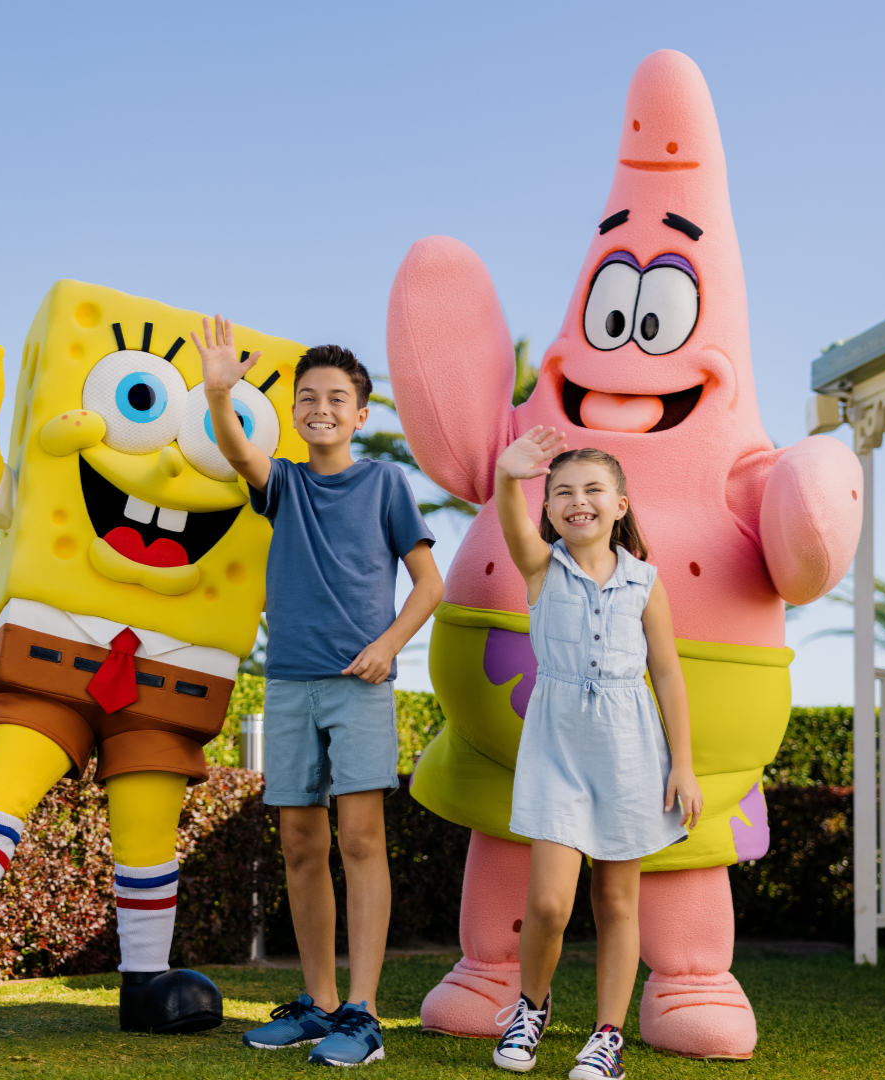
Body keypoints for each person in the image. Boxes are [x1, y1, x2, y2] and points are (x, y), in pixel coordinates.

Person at [192, 316, 444, 1067]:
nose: (321, 407)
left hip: (360, 686)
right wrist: (217, 393)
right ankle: (320, 1004)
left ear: (361, 415)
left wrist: (386, 649)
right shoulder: (286, 483)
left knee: (361, 840)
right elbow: (240, 448)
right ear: (296, 411)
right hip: (291, 684)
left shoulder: (386, 482)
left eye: (337, 397)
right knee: (301, 844)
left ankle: (363, 1016)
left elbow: (430, 583)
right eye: (308, 397)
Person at [489, 431, 703, 1078]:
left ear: (620, 504)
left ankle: (606, 1036)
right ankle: (531, 1007)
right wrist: (507, 477)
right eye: (561, 493)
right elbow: (511, 518)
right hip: (557, 747)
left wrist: (683, 763)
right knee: (550, 904)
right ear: (549, 509)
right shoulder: (539, 568)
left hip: (630, 750)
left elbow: (667, 674)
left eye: (592, 490)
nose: (576, 501)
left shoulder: (646, 583)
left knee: (616, 902)